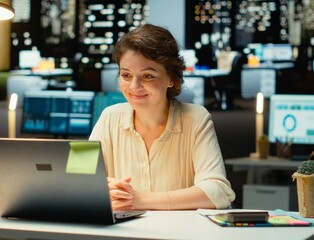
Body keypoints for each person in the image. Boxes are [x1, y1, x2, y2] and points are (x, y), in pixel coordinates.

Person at [89, 24, 235, 211]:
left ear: (171, 78)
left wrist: (141, 200)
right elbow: (77, 176)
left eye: (148, 76)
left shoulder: (196, 118)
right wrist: (105, 190)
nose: (134, 86)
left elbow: (218, 191)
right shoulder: (109, 117)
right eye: (126, 75)